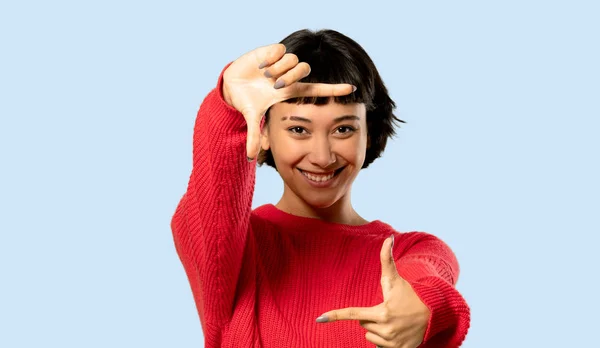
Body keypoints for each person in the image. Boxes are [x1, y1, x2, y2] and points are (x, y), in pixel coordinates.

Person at [171, 29, 471, 348]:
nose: (322, 157)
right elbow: (214, 193)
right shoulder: (235, 250)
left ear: (368, 133)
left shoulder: (408, 252)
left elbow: (432, 279)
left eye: (343, 129)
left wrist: (426, 309)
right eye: (298, 129)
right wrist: (229, 108)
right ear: (263, 130)